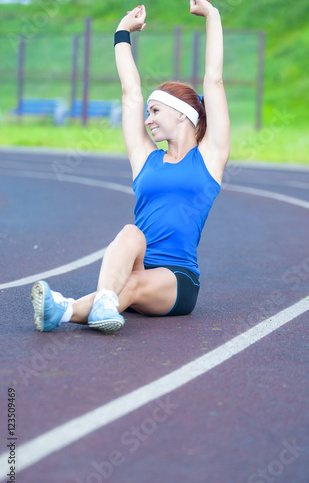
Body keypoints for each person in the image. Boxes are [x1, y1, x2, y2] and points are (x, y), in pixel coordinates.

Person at [30, 0, 230, 333]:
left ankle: (70, 308)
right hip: (136, 266)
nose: (147, 120)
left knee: (134, 286)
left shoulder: (209, 157)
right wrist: (122, 32)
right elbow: (130, 93)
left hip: (177, 279)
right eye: (148, 113)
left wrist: (213, 14)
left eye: (155, 112)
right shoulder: (146, 159)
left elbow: (215, 80)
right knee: (130, 233)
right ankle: (88, 306)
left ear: (182, 113)